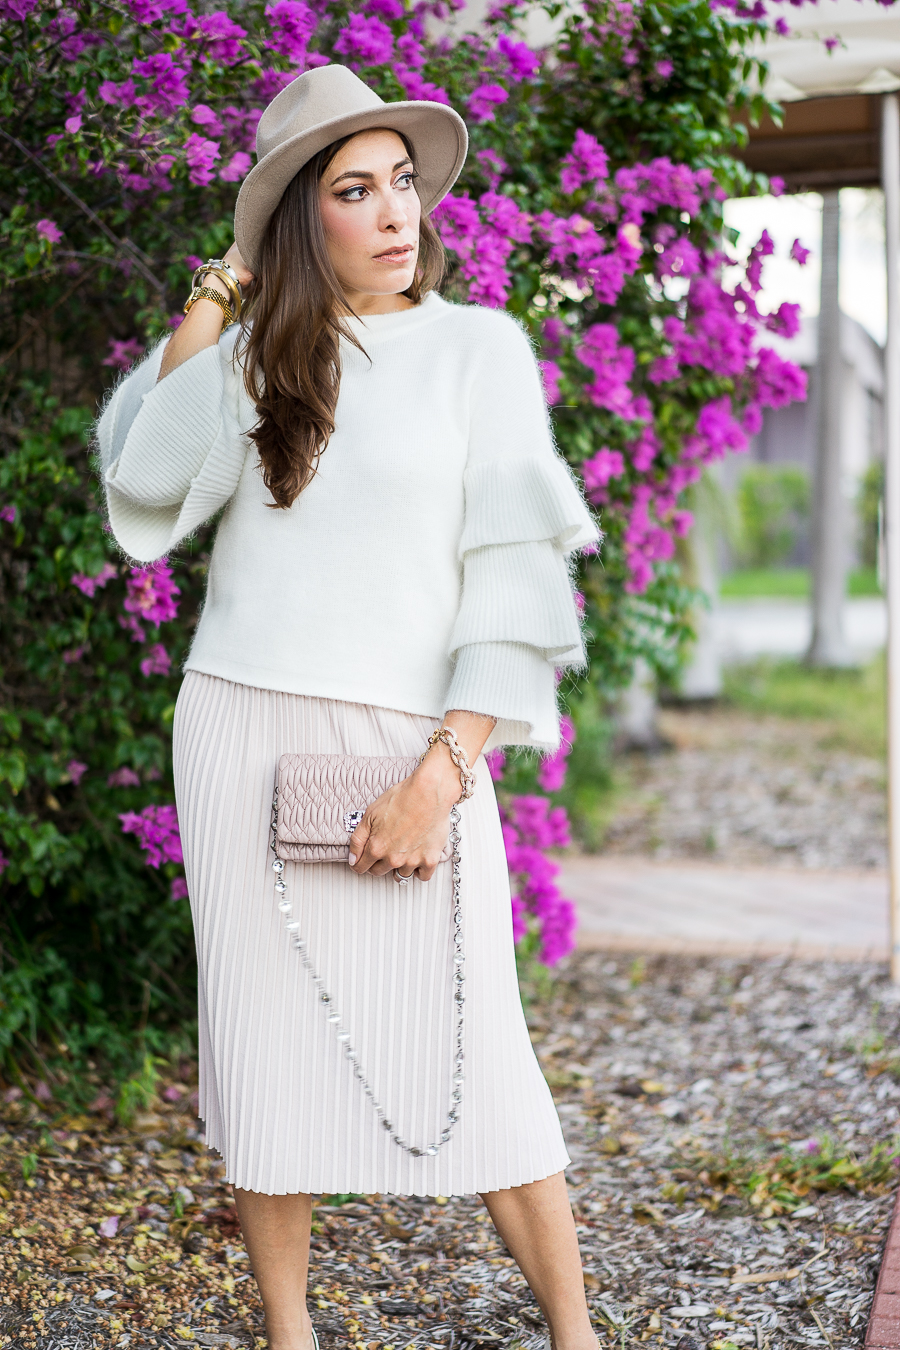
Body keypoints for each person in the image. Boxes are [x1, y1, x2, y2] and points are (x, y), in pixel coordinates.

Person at [96, 61, 600, 1350]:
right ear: (298, 222)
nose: (395, 214)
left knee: (478, 1039)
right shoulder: (267, 355)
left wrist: (443, 773)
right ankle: (288, 1329)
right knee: (265, 1041)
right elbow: (145, 482)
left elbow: (520, 581)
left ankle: (576, 1335)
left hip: (417, 742)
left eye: (404, 186)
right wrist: (221, 295)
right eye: (353, 190)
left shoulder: (481, 348)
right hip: (240, 726)